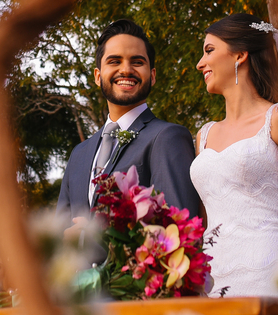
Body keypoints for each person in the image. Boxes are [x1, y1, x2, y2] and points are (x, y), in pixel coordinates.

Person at [190, 13, 278, 297]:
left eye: (209, 50)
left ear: (240, 55)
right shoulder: (204, 135)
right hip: (213, 277)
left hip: (270, 272)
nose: (200, 63)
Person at [56, 20, 202, 222]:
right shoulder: (79, 154)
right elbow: (60, 229)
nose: (126, 70)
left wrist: (96, 234)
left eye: (137, 62)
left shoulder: (168, 138)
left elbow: (178, 227)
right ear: (98, 76)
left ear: (152, 76)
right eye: (114, 61)